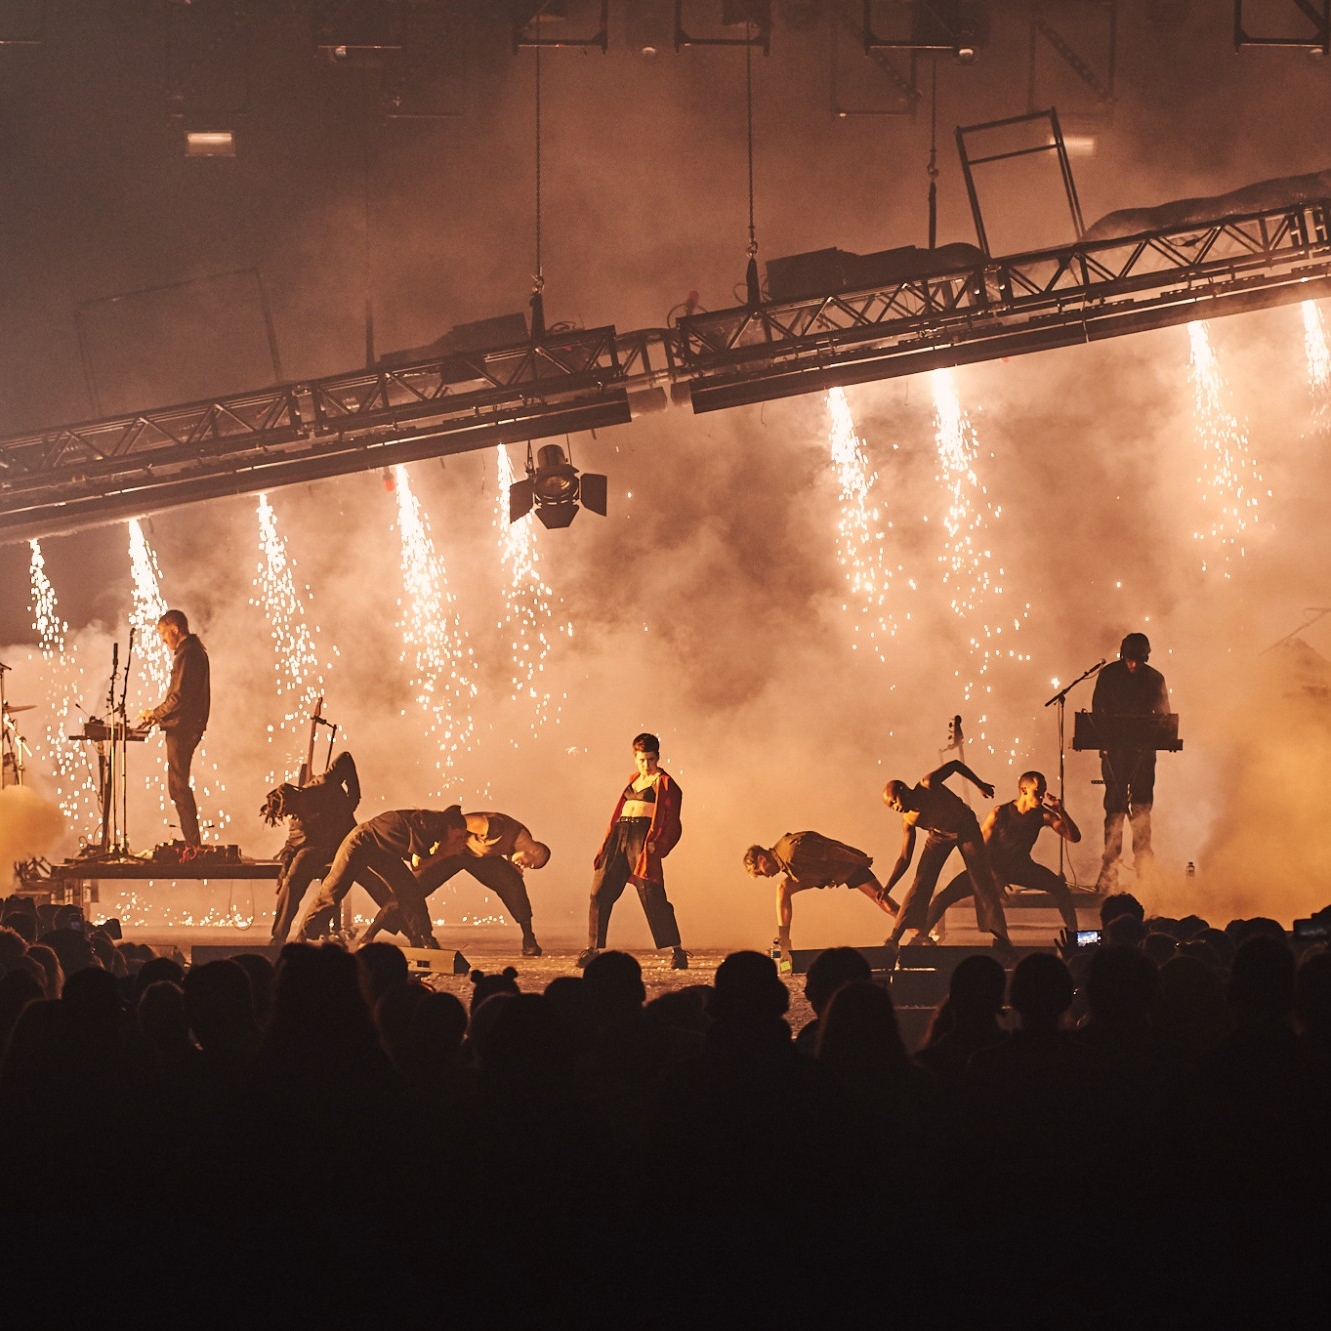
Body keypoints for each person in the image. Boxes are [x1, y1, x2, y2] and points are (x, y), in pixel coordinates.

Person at [922, 771, 1083, 939]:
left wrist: (1061, 812)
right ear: (1024, 790)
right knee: (944, 897)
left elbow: (1074, 837)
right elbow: (979, 851)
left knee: (1060, 888)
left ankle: (1074, 937)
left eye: (1043, 791)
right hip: (988, 867)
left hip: (1021, 867)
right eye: (1037, 791)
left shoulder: (1044, 815)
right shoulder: (999, 813)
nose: (1042, 796)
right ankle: (920, 936)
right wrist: (994, 877)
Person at [880, 760, 1014, 959]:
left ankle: (1003, 939)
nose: (895, 807)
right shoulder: (909, 820)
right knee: (921, 882)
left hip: (966, 827)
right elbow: (905, 858)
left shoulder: (928, 784)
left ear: (903, 790)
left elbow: (955, 765)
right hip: (939, 836)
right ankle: (893, 938)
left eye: (893, 801)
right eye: (890, 806)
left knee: (982, 881)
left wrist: (980, 784)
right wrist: (888, 886)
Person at [579, 732, 687, 971]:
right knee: (599, 891)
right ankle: (593, 948)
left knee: (652, 894)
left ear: (657, 757)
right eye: (641, 760)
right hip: (619, 835)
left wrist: (658, 845)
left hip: (642, 837)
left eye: (650, 759)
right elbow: (617, 814)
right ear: (635, 758)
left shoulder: (665, 783)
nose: (646, 764)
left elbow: (673, 822)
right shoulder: (633, 779)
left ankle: (677, 950)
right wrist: (607, 844)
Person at [377, 811, 549, 957]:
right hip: (453, 850)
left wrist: (513, 864)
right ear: (534, 850)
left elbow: (506, 847)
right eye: (531, 864)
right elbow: (455, 823)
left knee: (513, 884)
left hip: (478, 858)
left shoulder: (522, 840)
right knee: (412, 887)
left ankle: (529, 939)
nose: (526, 867)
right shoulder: (496, 825)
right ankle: (378, 933)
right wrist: (437, 850)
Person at [295, 806, 468, 948]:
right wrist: (445, 853)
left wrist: (445, 850)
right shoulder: (431, 826)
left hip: (382, 850)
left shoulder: (438, 827)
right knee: (333, 890)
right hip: (360, 842)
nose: (460, 841)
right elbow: (417, 864)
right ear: (449, 828)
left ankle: (422, 939)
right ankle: (302, 939)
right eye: (458, 836)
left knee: (410, 890)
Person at [743, 832, 899, 965]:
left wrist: (859, 860)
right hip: (828, 875)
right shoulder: (783, 858)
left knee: (885, 903)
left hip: (848, 866)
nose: (767, 876)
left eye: (762, 872)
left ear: (762, 858)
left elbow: (832, 852)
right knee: (783, 888)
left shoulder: (791, 851)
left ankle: (910, 926)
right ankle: (784, 941)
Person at [1092, 631, 1170, 889]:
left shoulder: (1155, 678)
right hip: (1115, 750)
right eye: (1130, 660)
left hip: (1143, 753)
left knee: (1141, 808)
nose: (1134, 664)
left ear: (1146, 657)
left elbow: (1164, 716)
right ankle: (1109, 870)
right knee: (1114, 808)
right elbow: (1098, 711)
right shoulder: (1109, 675)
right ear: (1122, 655)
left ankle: (1144, 869)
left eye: (1138, 660)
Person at [260, 750, 361, 946]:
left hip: (346, 842)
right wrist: (283, 872)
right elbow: (292, 845)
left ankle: (408, 927)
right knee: (292, 879)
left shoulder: (323, 785)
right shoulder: (297, 820)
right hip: (316, 848)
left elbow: (345, 758)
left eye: (294, 810)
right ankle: (278, 937)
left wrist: (353, 800)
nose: (294, 815)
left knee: (371, 878)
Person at [137, 609, 210, 848]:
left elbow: (179, 696)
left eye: (163, 633)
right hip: (186, 725)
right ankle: (193, 843)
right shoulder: (194, 652)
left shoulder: (188, 654)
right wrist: (157, 717)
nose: (163, 640)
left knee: (178, 787)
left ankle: (193, 846)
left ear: (175, 629)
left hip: (182, 728)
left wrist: (155, 713)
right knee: (178, 786)